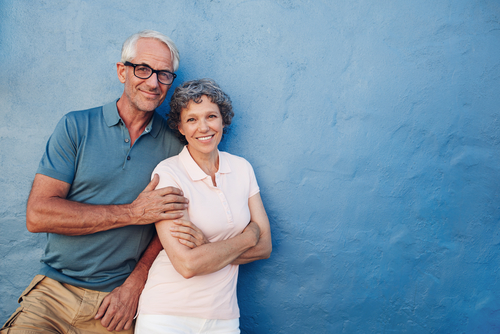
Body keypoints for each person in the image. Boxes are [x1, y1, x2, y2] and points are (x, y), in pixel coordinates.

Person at [1, 30, 208, 333]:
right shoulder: (76, 126)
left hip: (117, 303)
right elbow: (38, 214)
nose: (153, 82)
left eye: (164, 74)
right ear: (122, 71)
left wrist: (136, 284)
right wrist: (133, 213)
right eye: (143, 69)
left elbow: (174, 228)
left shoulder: (176, 146)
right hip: (53, 293)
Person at [135, 78, 272, 333]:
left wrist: (208, 248)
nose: (204, 127)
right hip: (167, 315)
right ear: (180, 127)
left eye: (211, 116)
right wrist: (249, 235)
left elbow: (265, 247)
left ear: (223, 120)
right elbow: (187, 265)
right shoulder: (169, 173)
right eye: (192, 119)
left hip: (224, 317)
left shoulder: (242, 168)